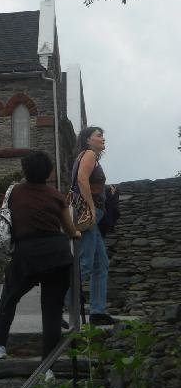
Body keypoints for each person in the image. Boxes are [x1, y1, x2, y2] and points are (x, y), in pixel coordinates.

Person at [0, 151, 81, 364]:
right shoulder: (56, 196)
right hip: (57, 255)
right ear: (49, 172)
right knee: (52, 311)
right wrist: (76, 234)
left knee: (9, 298)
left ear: (25, 170)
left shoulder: (14, 192)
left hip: (26, 255)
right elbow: (70, 229)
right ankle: (47, 368)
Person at [70, 126, 116, 325]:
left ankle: (97, 311)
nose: (102, 138)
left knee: (100, 264)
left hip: (92, 214)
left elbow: (86, 180)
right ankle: (59, 303)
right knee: (86, 262)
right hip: (90, 213)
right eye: (99, 135)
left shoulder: (87, 156)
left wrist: (106, 189)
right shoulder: (88, 154)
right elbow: (81, 179)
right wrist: (91, 207)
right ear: (88, 140)